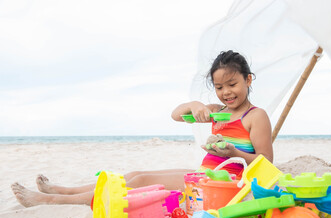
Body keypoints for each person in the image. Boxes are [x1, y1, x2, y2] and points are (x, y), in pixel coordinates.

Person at [11, 50, 273, 207]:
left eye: (232, 84)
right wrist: (194, 104)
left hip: (224, 184)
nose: (226, 92)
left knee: (141, 182)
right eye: (219, 87)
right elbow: (176, 115)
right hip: (204, 175)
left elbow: (266, 164)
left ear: (248, 80)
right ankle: (63, 190)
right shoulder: (218, 111)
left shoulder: (255, 116)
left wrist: (231, 153)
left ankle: (52, 201)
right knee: (136, 173)